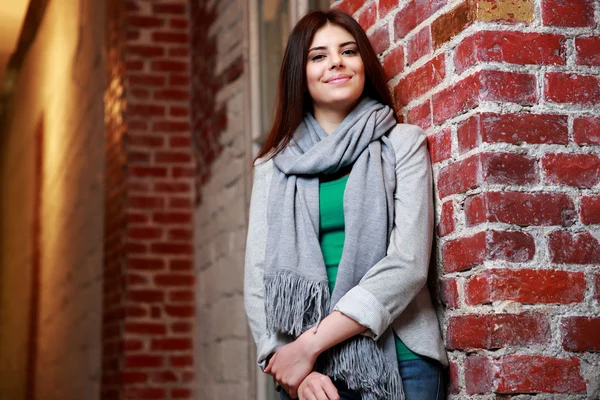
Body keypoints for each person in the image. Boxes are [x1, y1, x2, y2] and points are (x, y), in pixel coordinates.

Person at [244, 9, 447, 400]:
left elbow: (407, 264)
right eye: (318, 56)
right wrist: (291, 365)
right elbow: (258, 278)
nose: (336, 61)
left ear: (363, 64)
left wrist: (309, 345)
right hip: (308, 374)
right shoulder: (273, 166)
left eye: (348, 51)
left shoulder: (402, 143)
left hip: (399, 360)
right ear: (299, 76)